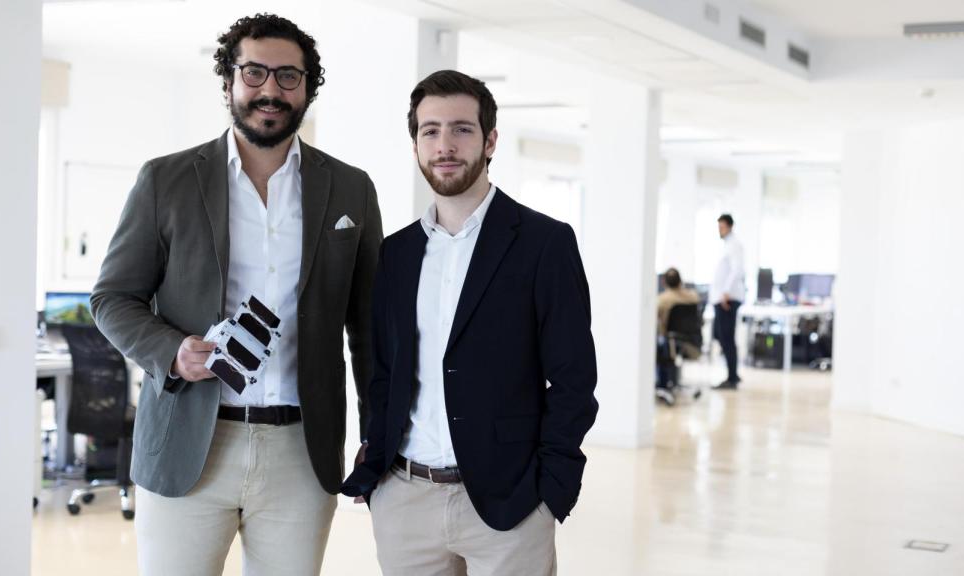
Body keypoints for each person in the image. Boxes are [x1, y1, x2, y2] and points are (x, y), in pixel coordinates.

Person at [90, 14, 382, 575]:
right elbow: (112, 298)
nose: (271, 89)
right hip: (190, 444)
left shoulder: (350, 188)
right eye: (254, 72)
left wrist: (378, 430)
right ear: (229, 81)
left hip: (302, 450)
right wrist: (171, 351)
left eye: (289, 76)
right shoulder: (165, 180)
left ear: (307, 89)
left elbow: (369, 327)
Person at [341, 70, 598, 576]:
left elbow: (573, 380)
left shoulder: (544, 244)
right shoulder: (396, 253)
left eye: (461, 129)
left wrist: (552, 492)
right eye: (430, 130)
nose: (445, 145)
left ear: (490, 140)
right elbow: (384, 371)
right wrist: (378, 473)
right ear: (415, 143)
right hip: (405, 500)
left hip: (510, 505)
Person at [710, 214, 745, 390]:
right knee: (720, 335)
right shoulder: (727, 245)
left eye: (722, 227)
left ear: (730, 226)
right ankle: (733, 374)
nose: (719, 230)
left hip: (727, 298)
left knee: (727, 338)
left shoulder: (734, 245)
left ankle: (732, 377)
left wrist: (725, 292)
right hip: (722, 297)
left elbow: (737, 270)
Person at [656, 267, 700, 393]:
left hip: (671, 344)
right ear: (680, 281)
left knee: (658, 344)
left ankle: (663, 386)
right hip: (693, 343)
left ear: (664, 282)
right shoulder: (693, 297)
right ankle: (671, 383)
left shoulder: (663, 299)